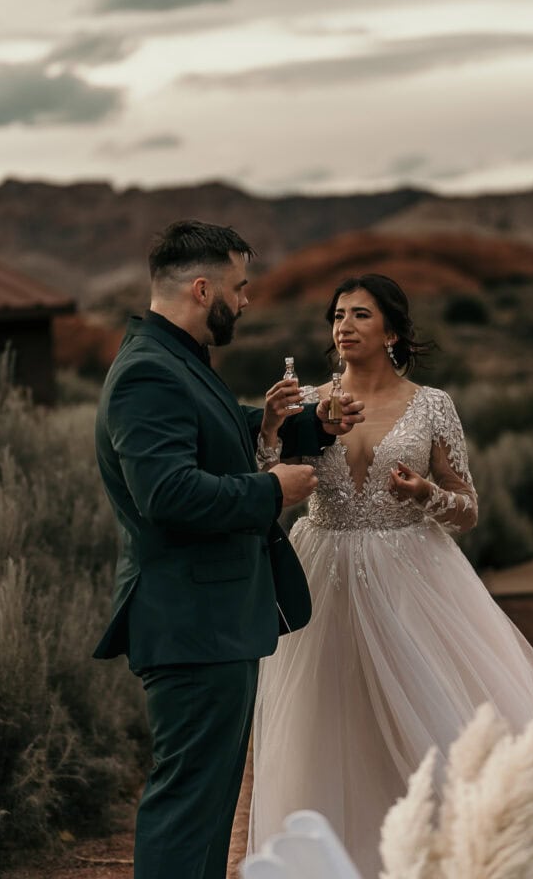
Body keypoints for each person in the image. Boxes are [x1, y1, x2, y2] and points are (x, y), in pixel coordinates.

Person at [250, 273, 533, 879]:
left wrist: (426, 491)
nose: (343, 326)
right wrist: (272, 428)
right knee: (327, 725)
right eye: (337, 316)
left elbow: (469, 507)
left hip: (410, 579)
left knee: (429, 723)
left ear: (393, 331)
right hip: (322, 573)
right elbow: (273, 488)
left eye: (360, 316)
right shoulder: (312, 402)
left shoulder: (432, 406)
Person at [92, 220, 364, 879]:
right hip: (191, 622)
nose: (245, 302)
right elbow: (167, 493)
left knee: (208, 807)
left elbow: (218, 428)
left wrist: (304, 423)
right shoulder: (148, 374)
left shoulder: (175, 358)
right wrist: (271, 490)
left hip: (209, 620)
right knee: (189, 808)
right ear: (202, 286)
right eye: (239, 289)